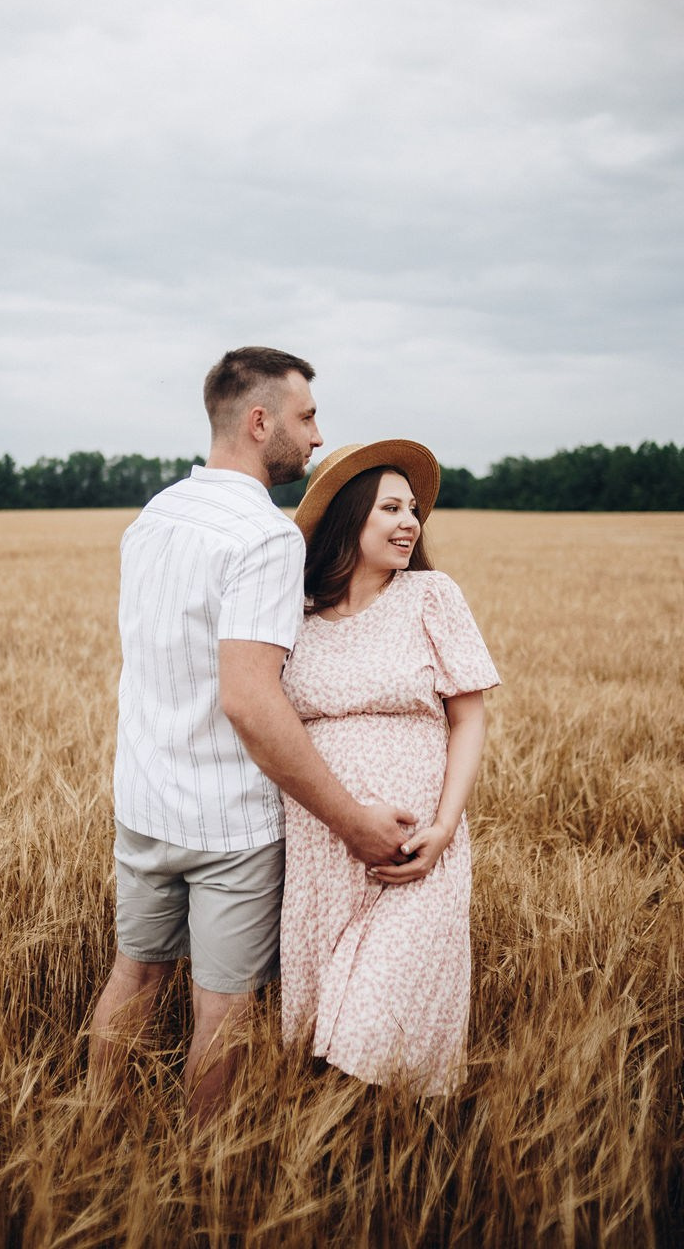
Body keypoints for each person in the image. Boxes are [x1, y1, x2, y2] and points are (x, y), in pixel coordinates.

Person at [88, 352, 416, 1123]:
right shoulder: (266, 538)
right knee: (224, 1010)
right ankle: (205, 1182)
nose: (316, 435)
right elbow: (250, 702)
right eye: (305, 418)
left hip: (143, 803)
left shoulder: (154, 517)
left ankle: (96, 1146)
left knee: (133, 977)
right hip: (228, 823)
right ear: (258, 421)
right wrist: (352, 822)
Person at [280, 440, 500, 1095]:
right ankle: (348, 1172)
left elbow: (470, 717)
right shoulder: (295, 614)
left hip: (417, 853)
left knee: (378, 1023)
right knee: (325, 1042)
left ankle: (405, 1165)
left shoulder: (431, 595)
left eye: (414, 510)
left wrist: (444, 827)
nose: (411, 522)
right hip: (323, 852)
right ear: (351, 517)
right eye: (391, 508)